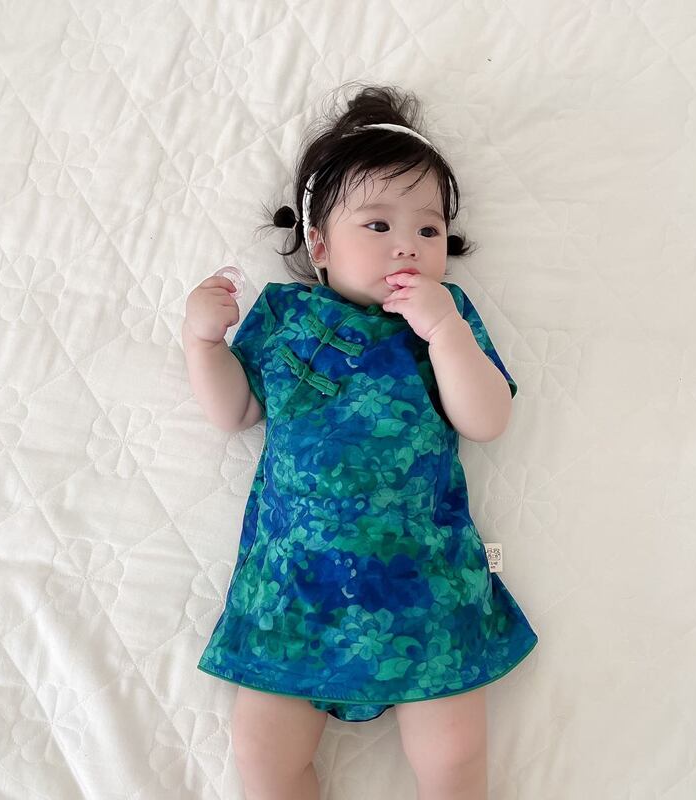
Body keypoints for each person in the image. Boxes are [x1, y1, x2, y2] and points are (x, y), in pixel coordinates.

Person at [182, 83, 538, 800]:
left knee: (454, 756)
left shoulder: (445, 318)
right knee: (262, 750)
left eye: (429, 231)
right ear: (319, 244)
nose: (407, 244)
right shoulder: (285, 318)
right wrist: (203, 344)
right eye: (378, 225)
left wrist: (445, 332)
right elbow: (236, 409)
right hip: (293, 592)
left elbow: (487, 419)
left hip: (425, 585)